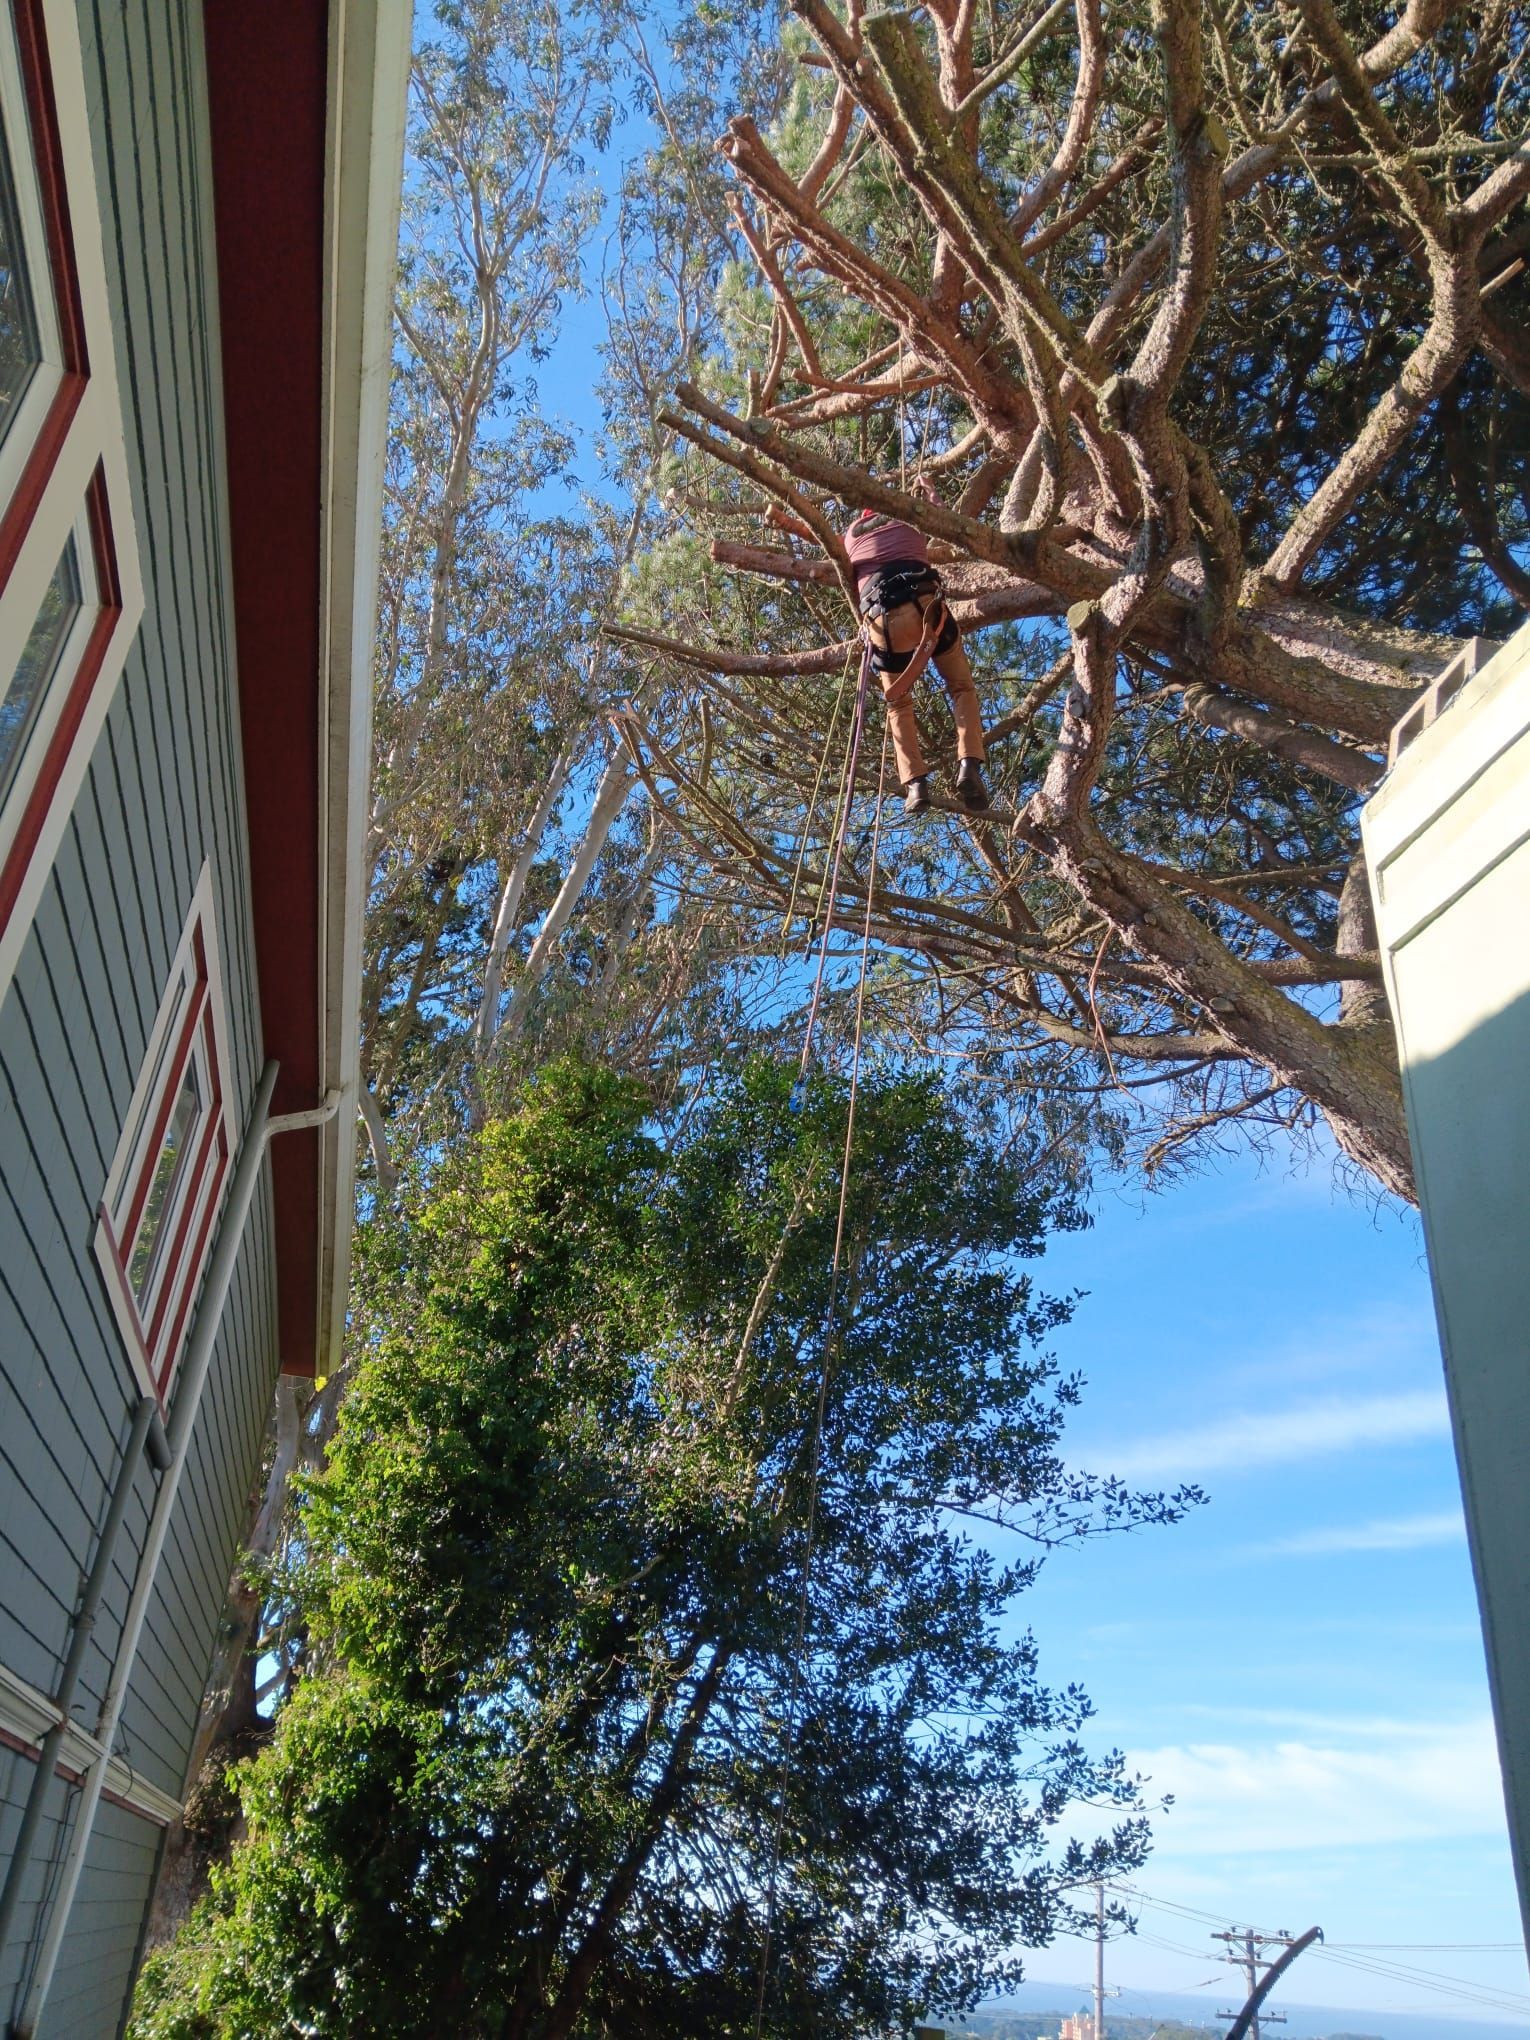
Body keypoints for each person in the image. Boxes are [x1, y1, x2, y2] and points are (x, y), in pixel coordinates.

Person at [842, 485, 989, 815]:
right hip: (929, 609)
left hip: (884, 621)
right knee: (961, 687)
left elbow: (821, 542)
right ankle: (969, 764)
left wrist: (785, 522)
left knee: (898, 704)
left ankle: (915, 785)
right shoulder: (910, 514)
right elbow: (946, 521)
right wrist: (931, 493)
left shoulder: (851, 535)